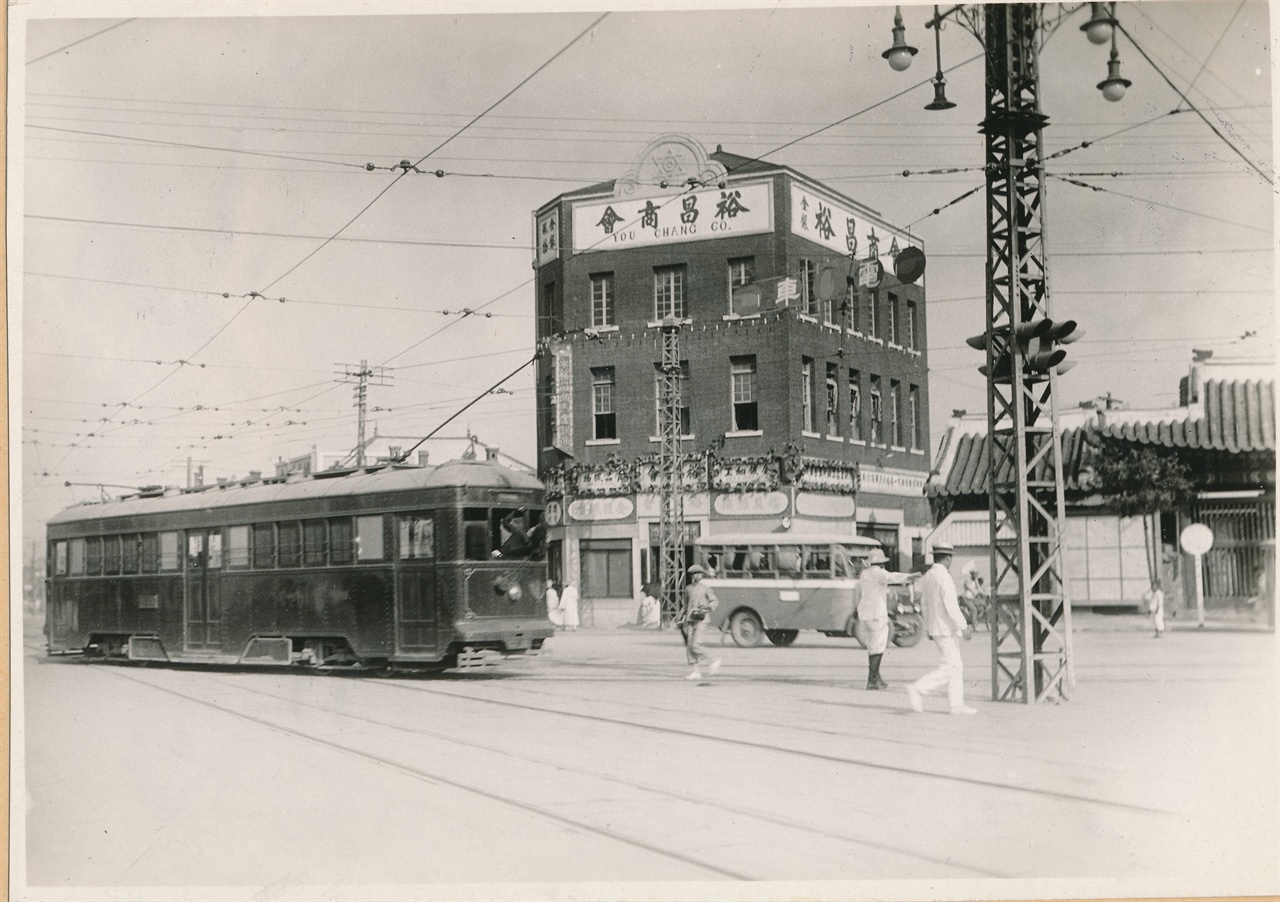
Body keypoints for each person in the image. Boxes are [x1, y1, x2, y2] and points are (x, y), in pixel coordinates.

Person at [906, 543, 976, 715]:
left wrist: (930, 627)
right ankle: (918, 688)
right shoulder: (944, 577)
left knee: (956, 665)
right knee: (949, 667)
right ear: (947, 558)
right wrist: (964, 627)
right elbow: (951, 605)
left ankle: (956, 705)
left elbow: (925, 603)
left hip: (937, 627)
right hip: (946, 628)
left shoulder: (928, 576)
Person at [856, 548, 915, 690]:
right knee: (879, 645)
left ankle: (876, 677)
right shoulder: (878, 573)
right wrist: (910, 577)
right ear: (881, 562)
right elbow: (892, 577)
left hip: (865, 614)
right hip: (877, 614)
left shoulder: (864, 574)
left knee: (873, 645)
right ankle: (873, 679)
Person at [682, 564, 721, 681]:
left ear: (702, 575)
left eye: (699, 573)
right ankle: (695, 671)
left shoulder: (705, 588)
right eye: (694, 574)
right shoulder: (688, 589)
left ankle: (713, 660)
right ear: (691, 576)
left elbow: (714, 602)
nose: (697, 576)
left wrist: (705, 607)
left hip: (701, 620)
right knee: (689, 647)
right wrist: (681, 618)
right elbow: (685, 605)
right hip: (690, 620)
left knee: (695, 645)